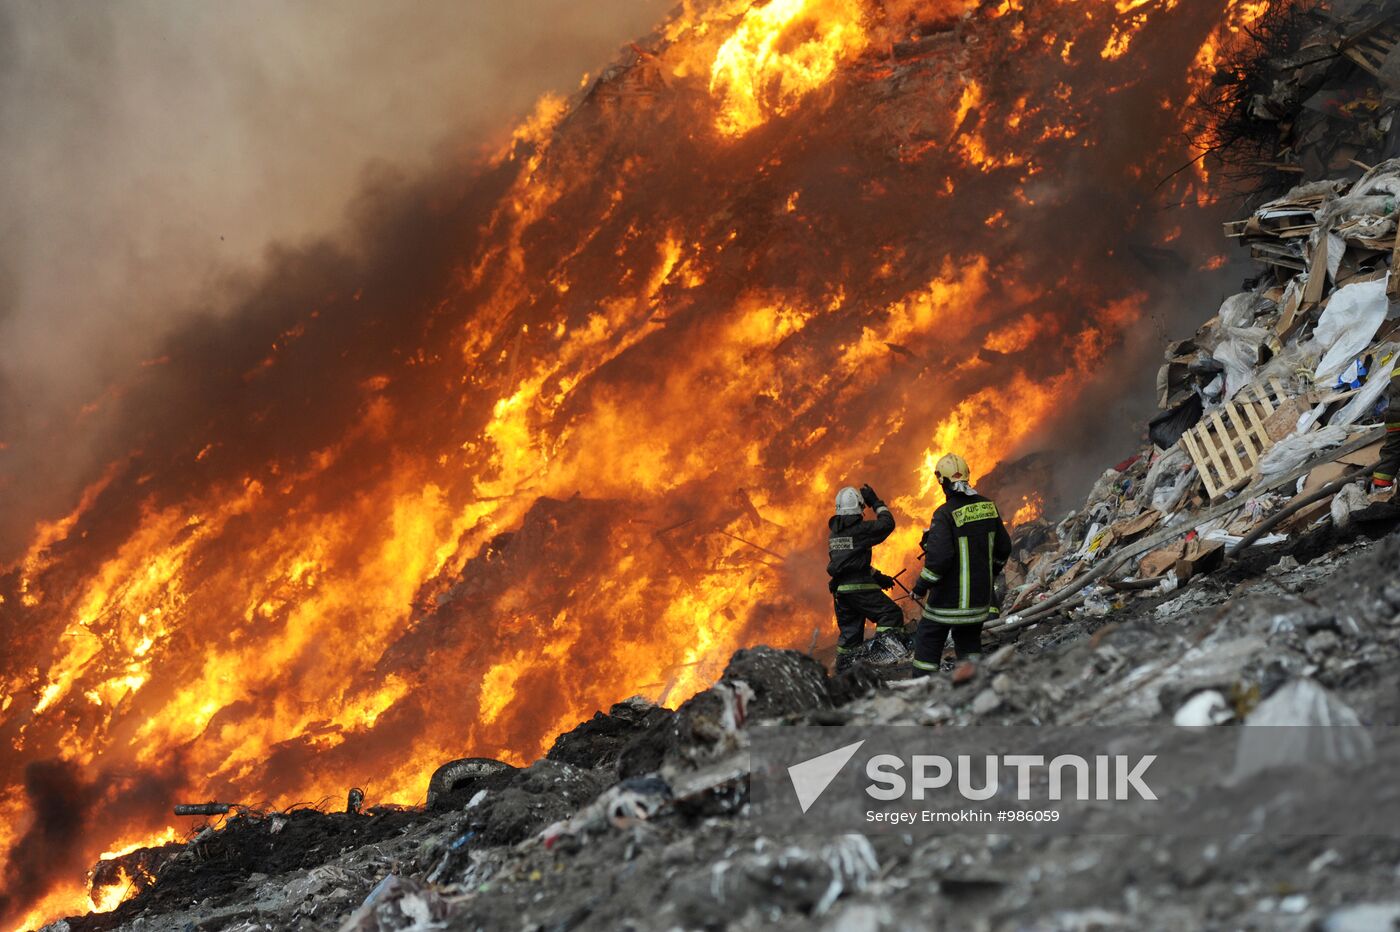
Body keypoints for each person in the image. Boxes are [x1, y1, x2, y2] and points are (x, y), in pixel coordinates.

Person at [909, 454, 1011, 674]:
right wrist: (991, 571)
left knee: (928, 638)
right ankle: (974, 681)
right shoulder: (988, 506)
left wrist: (920, 587)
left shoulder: (944, 514)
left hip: (948, 603)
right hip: (979, 602)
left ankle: (922, 684)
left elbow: (939, 560)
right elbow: (1004, 548)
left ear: (942, 482)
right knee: (969, 643)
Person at [826, 483, 904, 671]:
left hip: (841, 591)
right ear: (859, 507)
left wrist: (878, 576)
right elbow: (887, 524)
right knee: (890, 614)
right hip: (858, 588)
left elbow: (851, 563)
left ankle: (844, 671)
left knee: (850, 635)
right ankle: (883, 655)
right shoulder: (860, 529)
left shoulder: (834, 534)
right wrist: (875, 502)